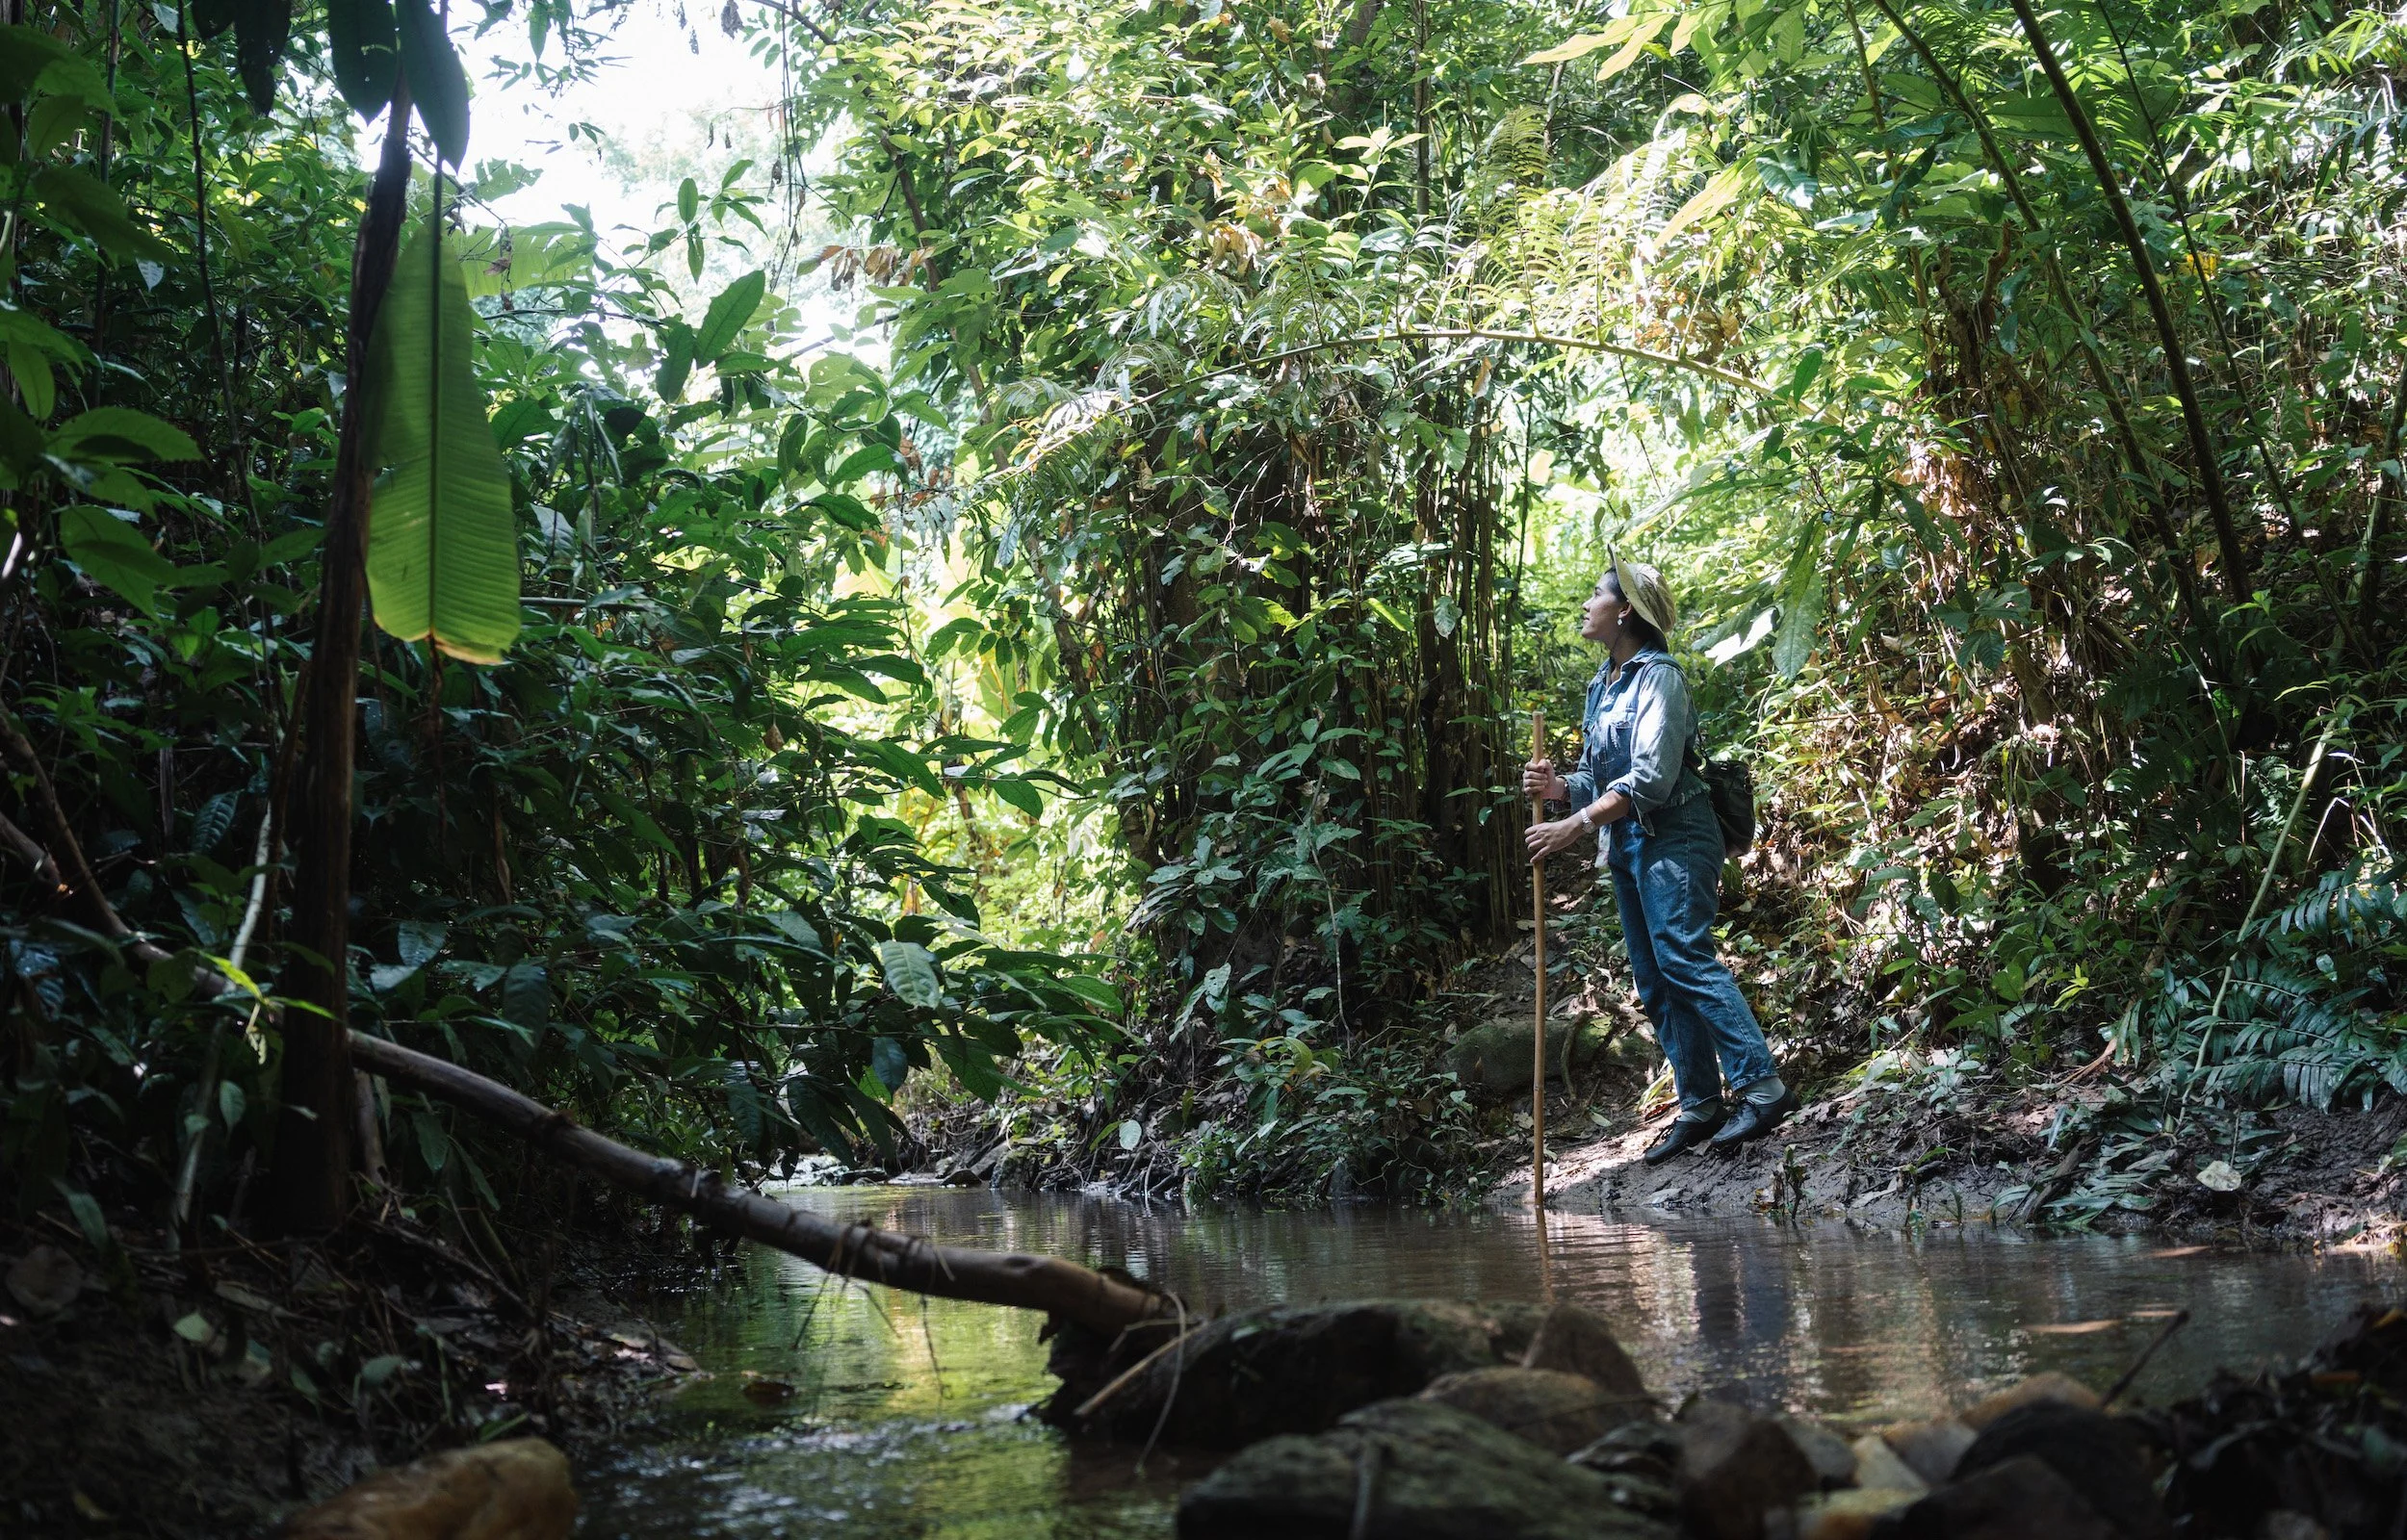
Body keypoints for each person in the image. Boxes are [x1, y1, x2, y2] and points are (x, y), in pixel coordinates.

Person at [1522, 555, 1793, 1164]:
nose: (1587, 605)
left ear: (1625, 611)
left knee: (1684, 956)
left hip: (1676, 835)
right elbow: (1598, 777)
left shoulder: (1660, 677)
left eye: (1596, 594)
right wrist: (1560, 789)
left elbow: (1650, 779)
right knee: (1654, 975)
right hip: (1628, 842)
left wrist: (1575, 823)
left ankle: (1763, 1086)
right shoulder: (1602, 685)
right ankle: (1700, 1105)